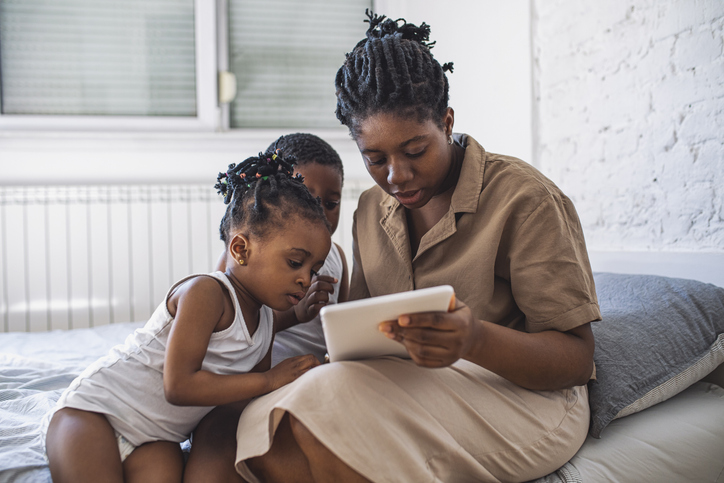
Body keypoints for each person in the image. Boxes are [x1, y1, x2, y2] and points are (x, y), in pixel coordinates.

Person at [230, 10, 602, 483]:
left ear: (446, 123)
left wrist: (476, 339)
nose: (396, 176)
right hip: (416, 383)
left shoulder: (525, 200)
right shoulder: (369, 209)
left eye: (415, 151)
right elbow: (360, 332)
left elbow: (576, 358)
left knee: (321, 406)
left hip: (527, 398)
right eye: (375, 158)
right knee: (268, 420)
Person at [43, 149, 330, 483]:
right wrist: (269, 379)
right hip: (98, 412)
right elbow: (178, 386)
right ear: (240, 250)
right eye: (296, 262)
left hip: (158, 438)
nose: (306, 279)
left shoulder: (266, 323)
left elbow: (247, 395)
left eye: (315, 269)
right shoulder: (206, 293)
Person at [183, 133, 349, 482]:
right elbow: (227, 333)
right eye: (306, 197)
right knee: (220, 427)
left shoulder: (339, 261)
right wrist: (295, 316)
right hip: (251, 378)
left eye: (331, 203)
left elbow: (339, 330)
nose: (318, 212)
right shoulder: (241, 260)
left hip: (310, 375)